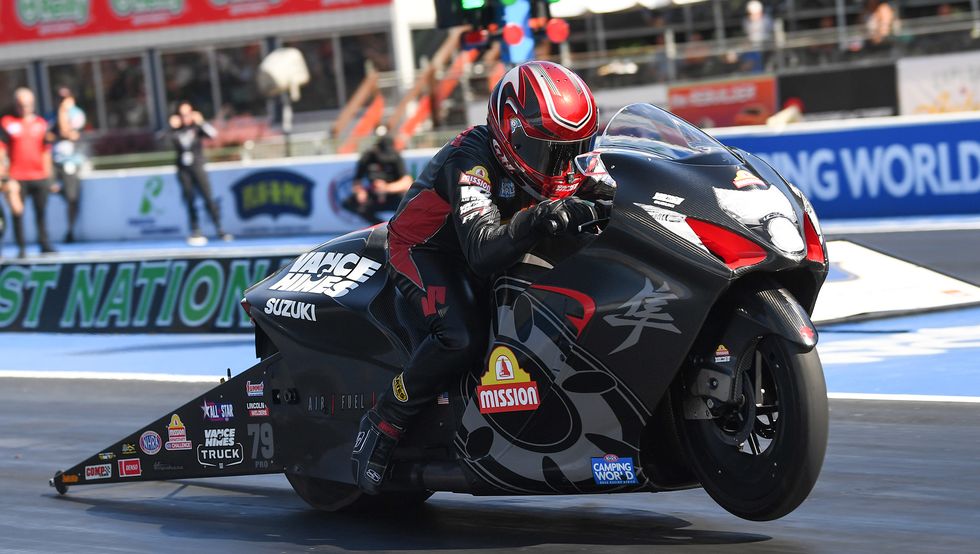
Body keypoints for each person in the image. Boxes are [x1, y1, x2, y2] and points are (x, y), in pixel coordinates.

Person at [351, 61, 601, 494]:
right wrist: (538, 217)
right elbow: (483, 251)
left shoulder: (565, 164)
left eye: (574, 148)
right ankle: (384, 421)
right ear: (510, 134)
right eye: (550, 150)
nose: (562, 164)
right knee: (461, 334)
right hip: (428, 250)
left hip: (495, 239)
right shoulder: (472, 159)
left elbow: (599, 188)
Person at [0, 87, 56, 258]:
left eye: (27, 104)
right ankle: (22, 247)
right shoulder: (8, 123)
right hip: (16, 177)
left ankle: (44, 243)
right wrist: (5, 177)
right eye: (21, 105)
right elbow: (1, 150)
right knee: (17, 211)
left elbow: (46, 151)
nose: (24, 108)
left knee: (41, 212)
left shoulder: (40, 123)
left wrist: (50, 177)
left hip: (39, 175)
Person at [169, 101, 231, 245]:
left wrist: (202, 122)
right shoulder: (176, 130)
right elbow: (161, 140)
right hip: (184, 170)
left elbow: (213, 134)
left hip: (198, 167)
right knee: (189, 199)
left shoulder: (197, 127)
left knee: (208, 197)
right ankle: (195, 229)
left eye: (188, 114)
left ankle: (219, 228)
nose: (185, 117)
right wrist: (170, 127)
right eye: (182, 115)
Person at [343, 131, 413, 225]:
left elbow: (407, 182)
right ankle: (380, 226)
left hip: (393, 195)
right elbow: (357, 181)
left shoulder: (395, 156)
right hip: (374, 195)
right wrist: (360, 191)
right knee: (349, 203)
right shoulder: (368, 157)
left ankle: (401, 227)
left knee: (410, 203)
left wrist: (386, 188)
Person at [48, 87, 86, 243]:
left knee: (72, 197)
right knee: (50, 188)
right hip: (54, 161)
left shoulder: (76, 114)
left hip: (70, 161)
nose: (61, 102)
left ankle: (70, 231)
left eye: (64, 99)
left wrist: (63, 112)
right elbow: (47, 135)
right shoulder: (51, 114)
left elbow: (66, 132)